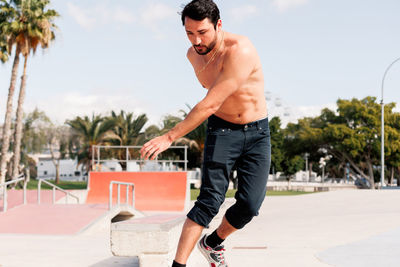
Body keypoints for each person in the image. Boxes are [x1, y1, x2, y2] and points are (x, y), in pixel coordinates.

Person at [140, 0, 271, 266]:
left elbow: (210, 102)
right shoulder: (192, 55)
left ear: (218, 25)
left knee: (249, 205)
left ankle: (212, 243)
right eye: (189, 33)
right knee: (209, 200)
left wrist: (169, 137)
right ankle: (178, 264)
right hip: (222, 130)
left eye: (202, 32)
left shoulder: (240, 50)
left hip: (257, 132)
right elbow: (213, 105)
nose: (196, 40)